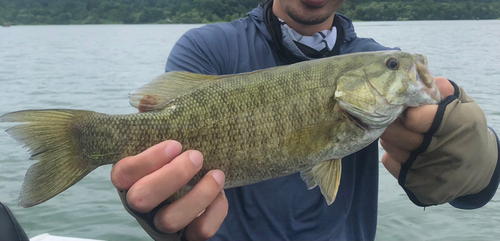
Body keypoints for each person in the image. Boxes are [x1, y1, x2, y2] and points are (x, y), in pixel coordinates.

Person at [110, 0, 500, 240]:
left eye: (393, 66)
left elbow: (472, 198)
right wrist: (164, 214)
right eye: (394, 66)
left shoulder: (373, 56)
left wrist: (468, 159)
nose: (398, 67)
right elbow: (163, 141)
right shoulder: (210, 49)